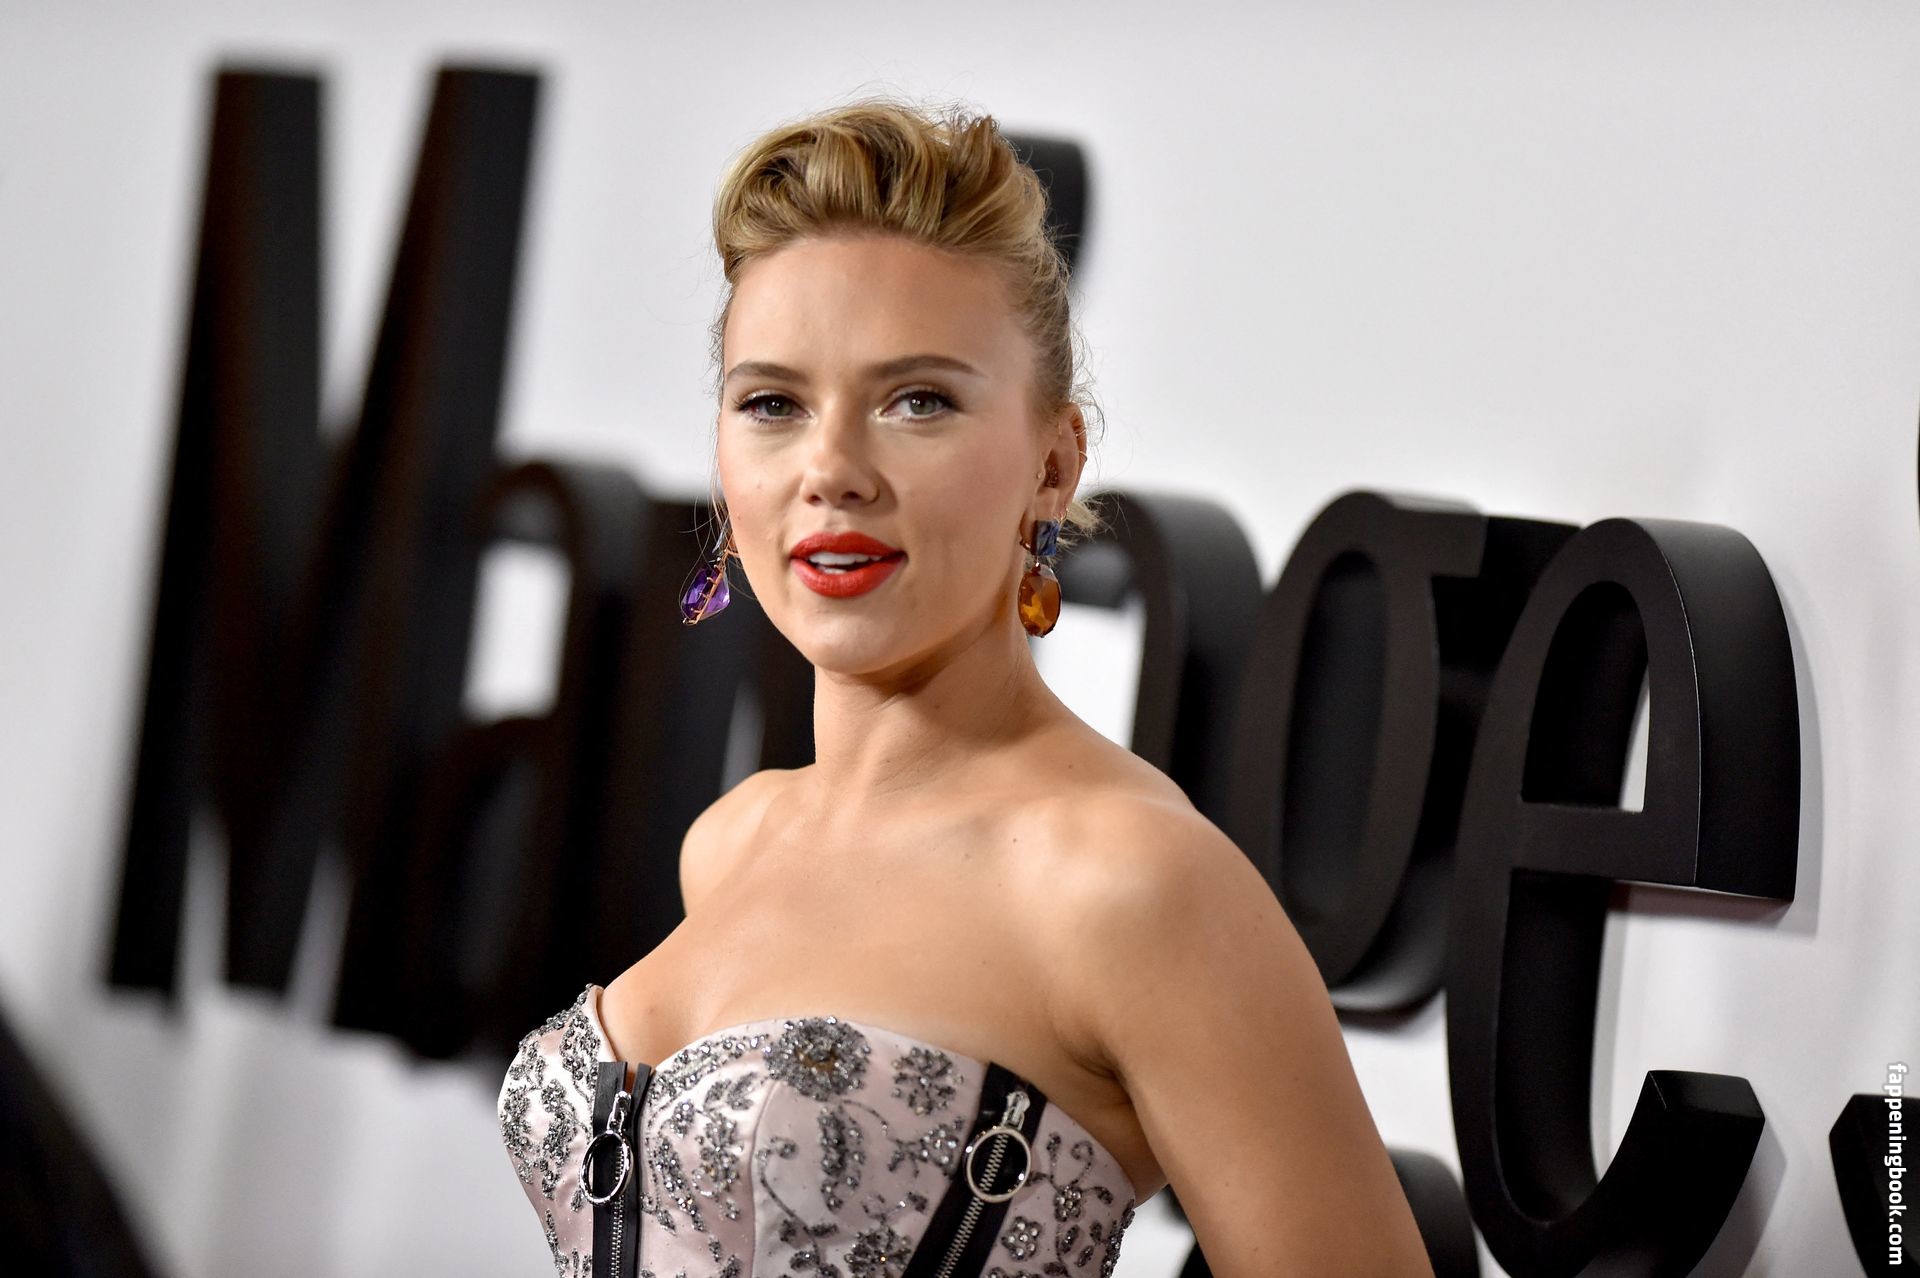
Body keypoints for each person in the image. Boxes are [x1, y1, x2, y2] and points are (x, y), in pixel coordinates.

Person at [499, 95, 1434, 1278]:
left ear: (1054, 463)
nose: (833, 471)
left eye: (919, 402)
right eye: (773, 404)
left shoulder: (1133, 882)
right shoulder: (732, 841)